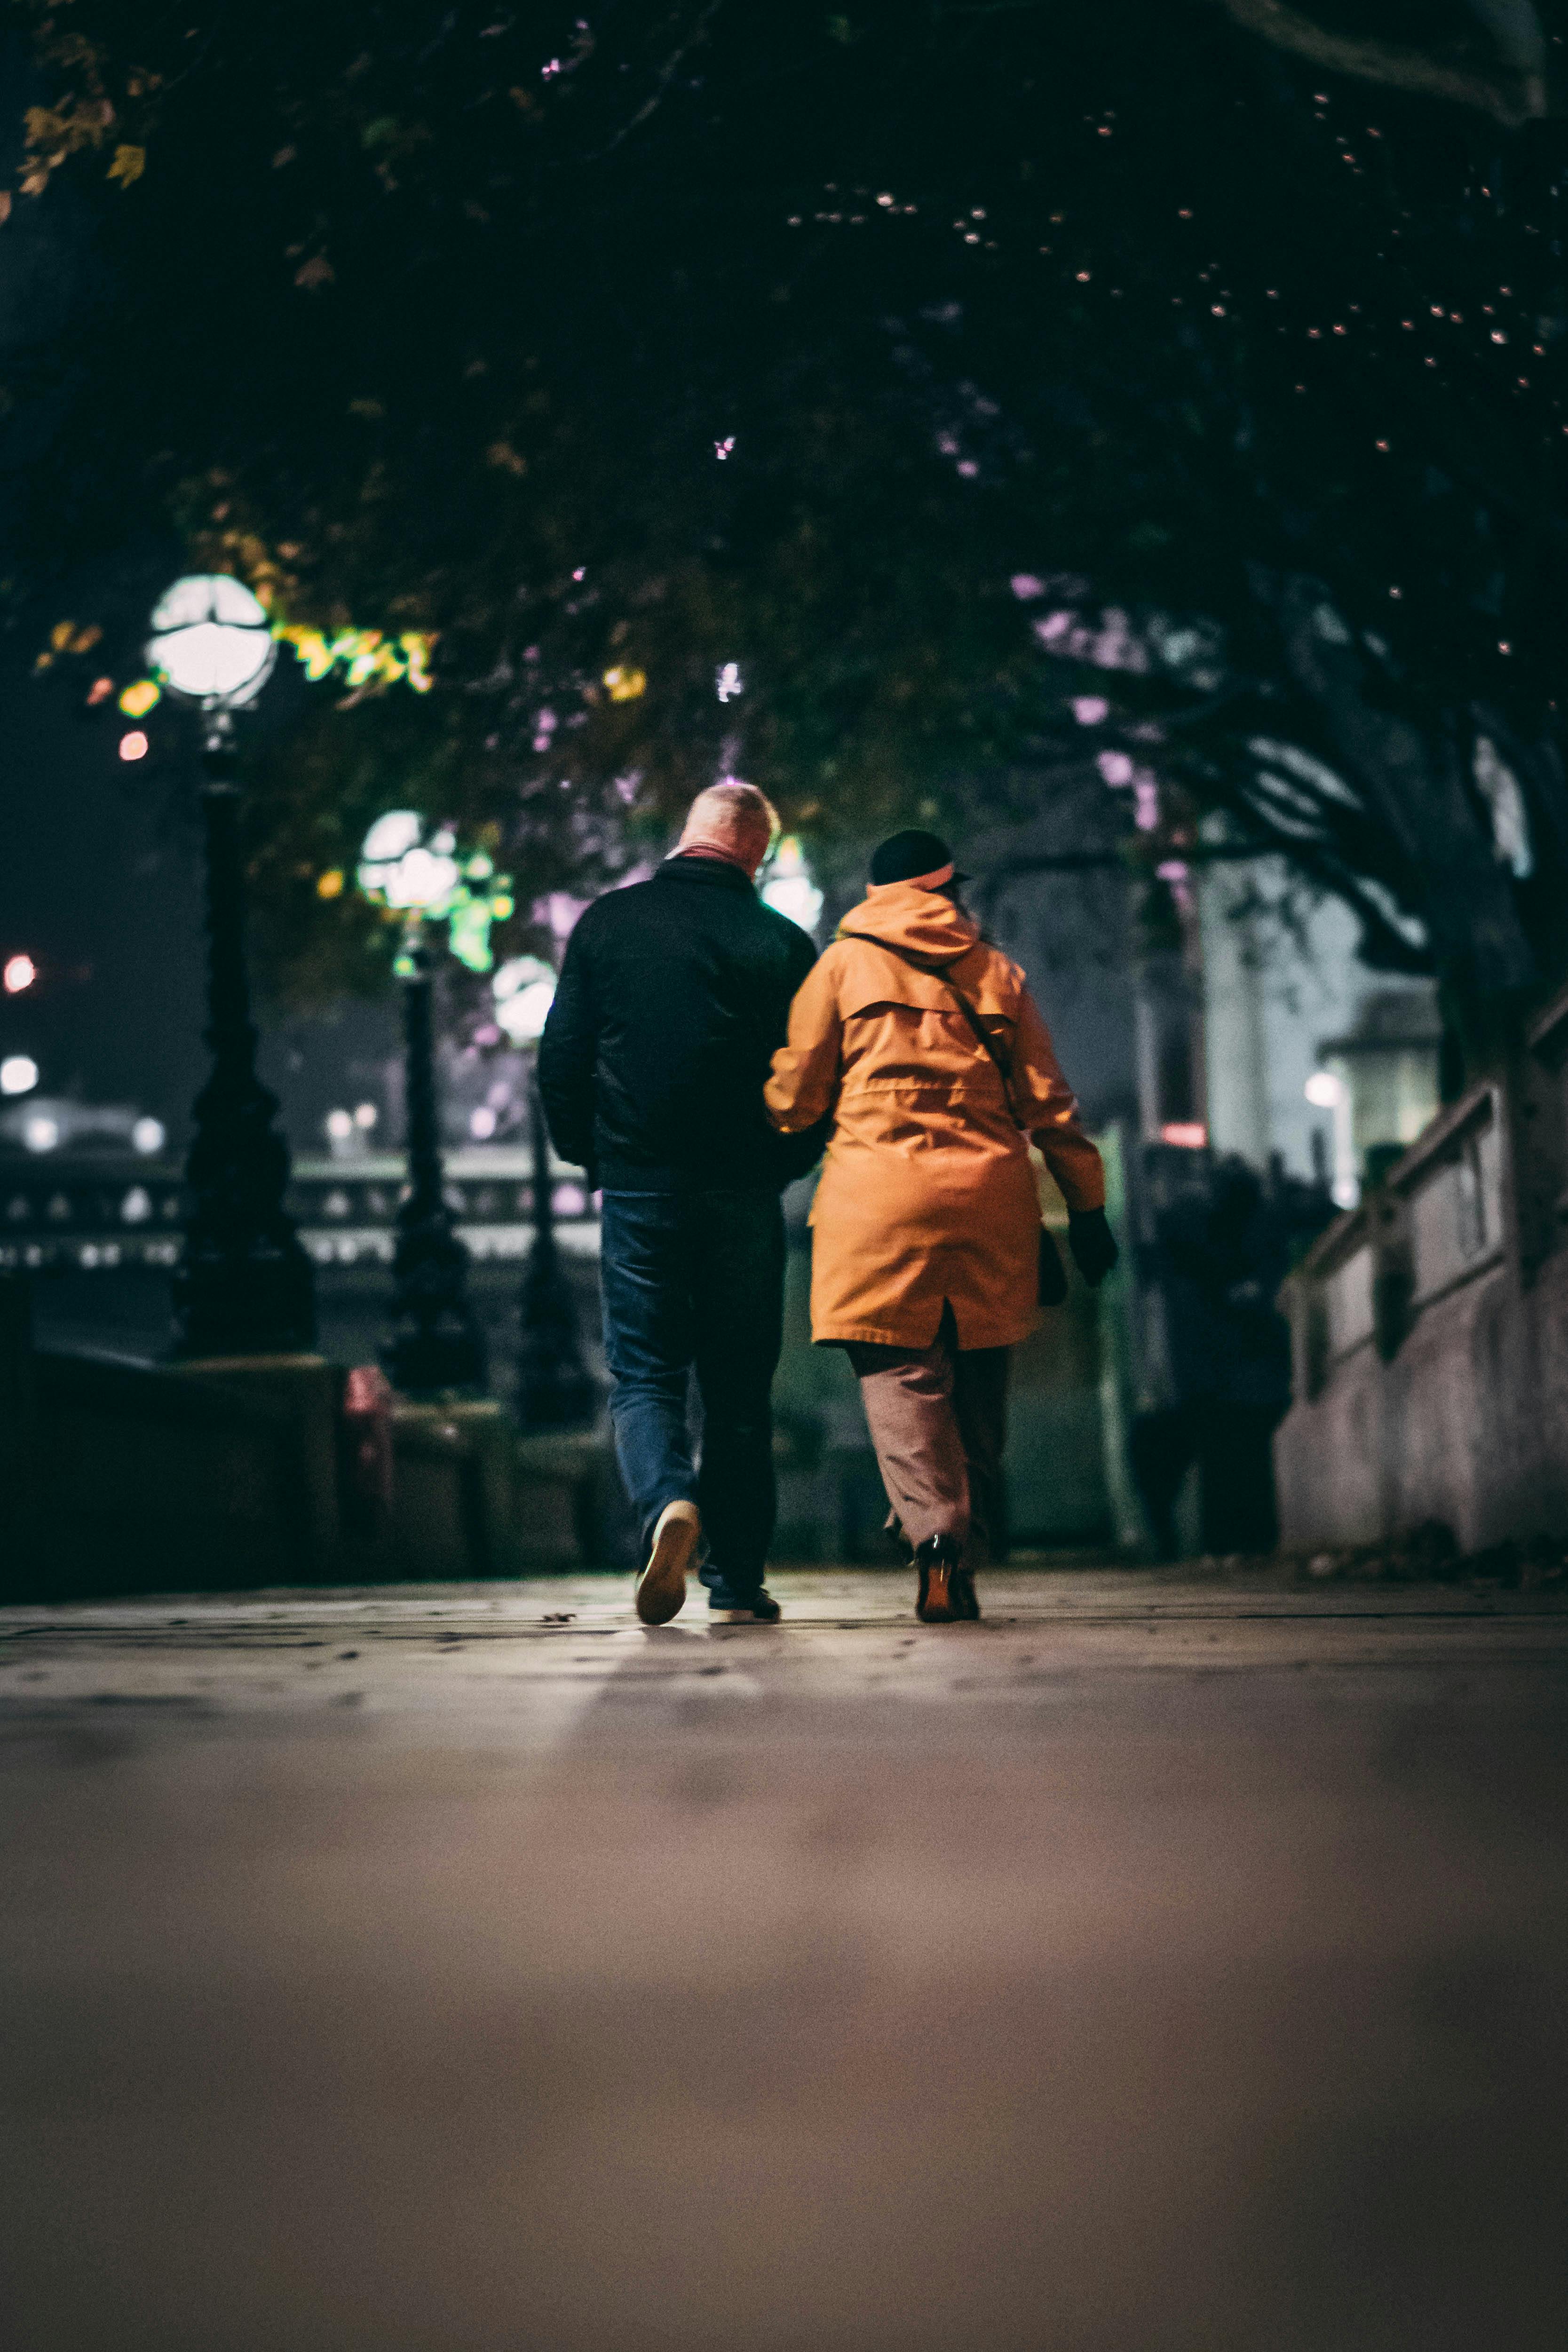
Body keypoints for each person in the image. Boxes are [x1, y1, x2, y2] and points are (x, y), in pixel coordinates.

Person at [765, 829, 1117, 1623]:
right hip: (989, 1202)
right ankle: (963, 1541)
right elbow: (1051, 1108)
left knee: (899, 1374)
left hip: (877, 1205)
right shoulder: (997, 972)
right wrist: (1087, 1207)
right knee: (978, 1378)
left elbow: (794, 1100)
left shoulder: (840, 967)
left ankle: (936, 1533)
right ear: (945, 890)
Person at [538, 782, 823, 1625]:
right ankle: (736, 1577)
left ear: (686, 835)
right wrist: (784, 1163)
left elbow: (562, 1058)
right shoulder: (781, 943)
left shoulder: (607, 924)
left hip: (640, 1187)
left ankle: (667, 1499)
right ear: (756, 854)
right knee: (738, 1390)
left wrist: (592, 1153)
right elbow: (818, 1079)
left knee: (643, 1374)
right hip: (743, 1192)